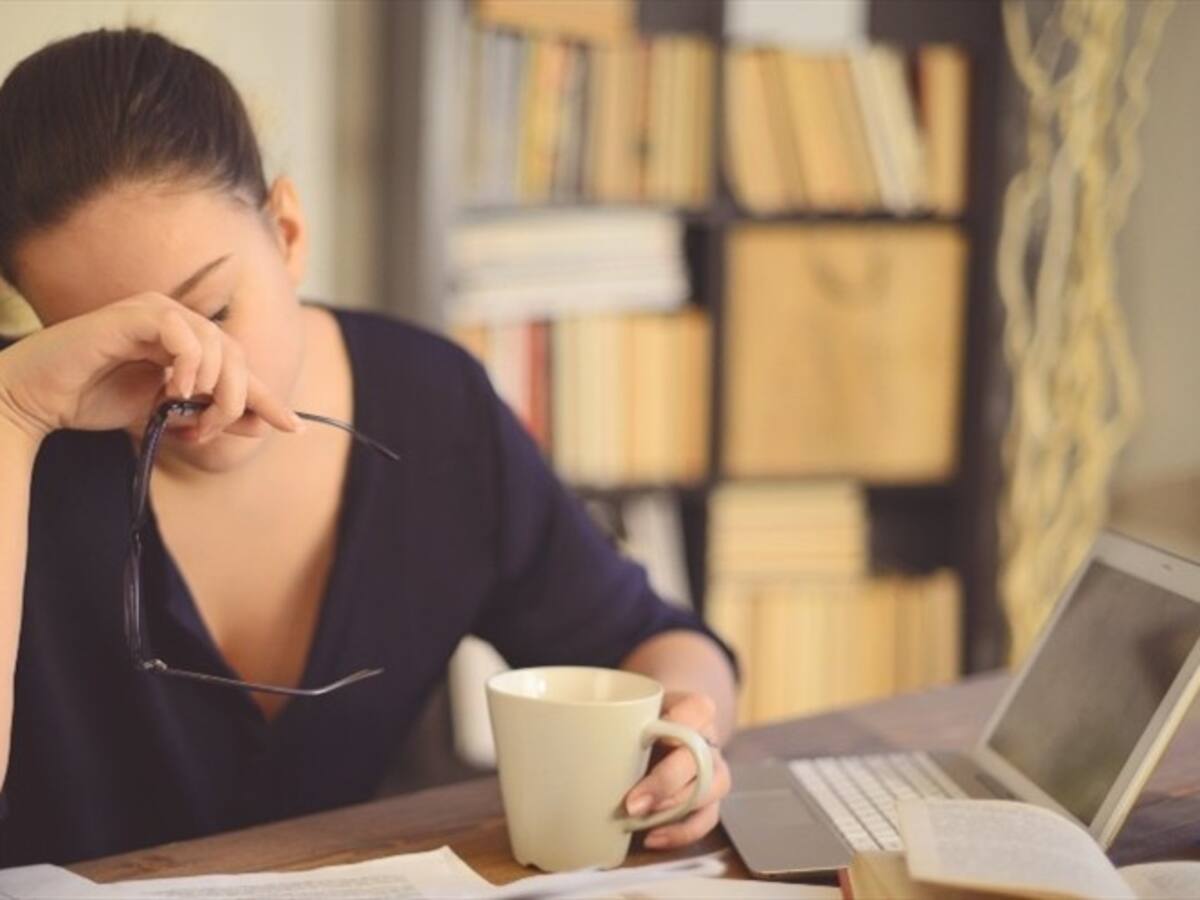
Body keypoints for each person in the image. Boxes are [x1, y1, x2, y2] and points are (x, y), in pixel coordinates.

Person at [0, 27, 738, 866]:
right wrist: (14, 415)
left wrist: (687, 739)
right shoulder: (18, 429)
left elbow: (650, 641)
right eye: (120, 348)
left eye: (211, 314)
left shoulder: (433, 407)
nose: (187, 385)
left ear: (287, 230)